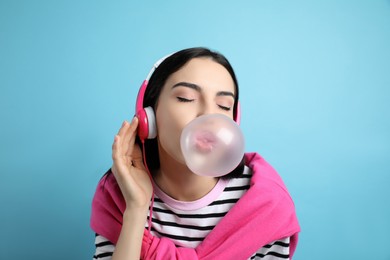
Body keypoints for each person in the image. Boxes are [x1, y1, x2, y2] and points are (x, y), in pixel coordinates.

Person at [90, 47, 300, 259]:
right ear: (149, 117)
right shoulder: (120, 195)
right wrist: (136, 209)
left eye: (223, 105)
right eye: (186, 98)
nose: (208, 115)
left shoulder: (265, 206)